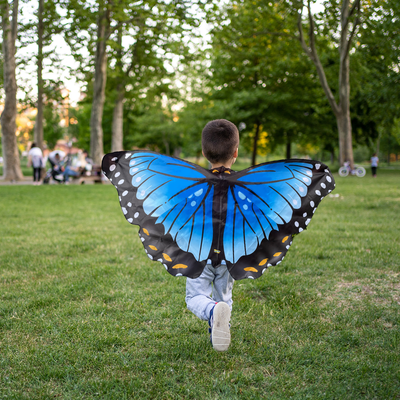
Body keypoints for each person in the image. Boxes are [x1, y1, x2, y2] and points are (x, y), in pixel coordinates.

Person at [185, 119, 239, 352]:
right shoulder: (243, 186)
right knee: (223, 297)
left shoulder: (193, 184)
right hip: (230, 253)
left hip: (200, 252)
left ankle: (210, 313)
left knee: (195, 297)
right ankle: (219, 324)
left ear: (204, 153)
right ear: (235, 153)